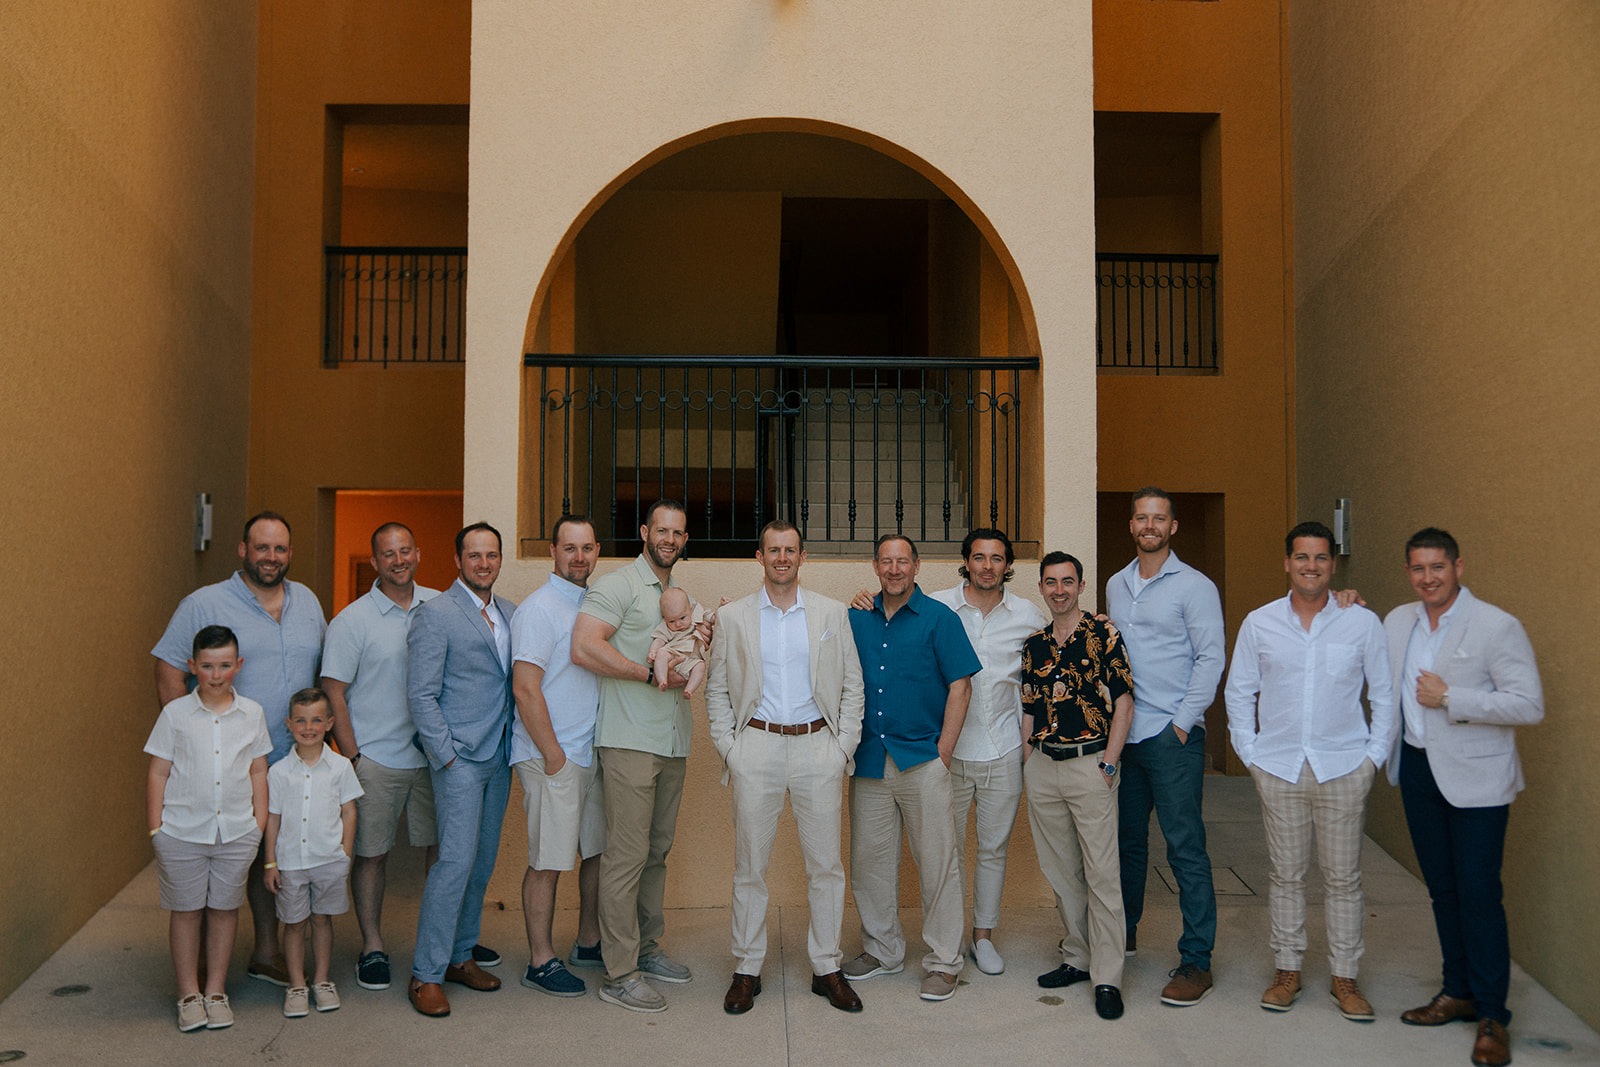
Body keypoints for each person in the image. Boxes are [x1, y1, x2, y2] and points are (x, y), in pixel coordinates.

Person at [1384, 528, 1543, 1067]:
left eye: (1438, 567)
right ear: (1408, 572)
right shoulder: (1397, 621)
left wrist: (1450, 697)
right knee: (1443, 890)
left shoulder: (1497, 625)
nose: (1428, 578)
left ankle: (1494, 1015)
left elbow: (1529, 704)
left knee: (1478, 893)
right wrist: (1344, 600)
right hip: (1419, 771)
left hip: (1478, 780)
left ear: (1458, 567)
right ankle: (1457, 991)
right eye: (1417, 569)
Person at [1224, 521, 1394, 1023]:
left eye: (1321, 558)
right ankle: (1287, 969)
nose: (1311, 566)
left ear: (1332, 565)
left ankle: (1345, 976)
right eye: (1302, 557)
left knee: (1343, 878)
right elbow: (1239, 692)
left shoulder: (1360, 622)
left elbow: (1383, 695)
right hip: (1278, 768)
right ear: (1287, 563)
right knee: (1287, 874)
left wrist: (1372, 760)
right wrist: (1251, 756)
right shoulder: (1260, 623)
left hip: (1344, 767)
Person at [152, 511, 326, 986]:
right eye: (262, 547)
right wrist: (189, 739)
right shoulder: (203, 603)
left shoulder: (308, 602)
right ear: (242, 549)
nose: (272, 557)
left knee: (277, 852)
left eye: (281, 548)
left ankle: (267, 951)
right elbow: (169, 669)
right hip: (230, 761)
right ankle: (203, 972)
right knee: (221, 857)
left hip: (296, 758)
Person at [705, 521, 865, 1015]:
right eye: (773, 550)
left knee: (826, 867)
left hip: (818, 748)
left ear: (801, 557)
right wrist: (731, 748)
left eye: (789, 550)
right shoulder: (732, 617)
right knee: (750, 866)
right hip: (757, 748)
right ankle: (747, 968)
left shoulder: (831, 613)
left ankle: (826, 967)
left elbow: (852, 687)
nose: (781, 558)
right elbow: (715, 690)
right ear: (760, 556)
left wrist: (842, 747)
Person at [572, 500, 708, 1013]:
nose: (669, 539)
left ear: (685, 538)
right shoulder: (617, 585)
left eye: (678, 531)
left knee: (655, 853)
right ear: (645, 532)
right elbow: (584, 647)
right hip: (629, 739)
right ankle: (620, 972)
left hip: (672, 738)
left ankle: (647, 950)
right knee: (626, 858)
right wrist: (646, 673)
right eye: (662, 530)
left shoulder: (678, 595)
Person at [843, 534, 980, 1003]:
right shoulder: (856, 618)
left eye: (903, 561)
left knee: (938, 863)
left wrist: (943, 753)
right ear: (876, 566)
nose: (895, 569)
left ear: (917, 566)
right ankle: (883, 950)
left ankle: (944, 963)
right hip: (870, 761)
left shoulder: (940, 619)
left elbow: (961, 687)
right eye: (887, 561)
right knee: (869, 862)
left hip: (923, 760)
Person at [1104, 488, 1225, 1006]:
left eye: (1159, 518)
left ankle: (1197, 961)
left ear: (1173, 527)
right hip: (1125, 735)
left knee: (1185, 850)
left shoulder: (1194, 586)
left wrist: (1181, 723)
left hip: (1171, 739)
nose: (1149, 525)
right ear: (1131, 526)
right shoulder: (1115, 584)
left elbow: (1211, 658)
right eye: (1141, 518)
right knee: (1127, 845)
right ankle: (1123, 936)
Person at [320, 522, 441, 992]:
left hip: (434, 757)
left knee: (440, 854)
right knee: (371, 856)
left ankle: (439, 942)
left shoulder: (441, 605)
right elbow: (334, 692)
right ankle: (372, 945)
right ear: (375, 562)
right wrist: (353, 757)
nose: (398, 560)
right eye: (388, 554)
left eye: (405, 550)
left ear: (418, 553)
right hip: (377, 758)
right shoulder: (351, 621)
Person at [405, 522, 517, 1017]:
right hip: (460, 760)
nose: (484, 563)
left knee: (482, 863)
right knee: (452, 864)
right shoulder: (436, 614)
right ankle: (425, 974)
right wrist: (446, 755)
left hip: (500, 755)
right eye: (474, 555)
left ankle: (459, 955)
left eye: (491, 555)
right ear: (457, 560)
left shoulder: (511, 613)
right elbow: (421, 693)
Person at [1021, 551, 1135, 1021]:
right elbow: (1028, 707)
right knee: (1062, 871)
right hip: (1044, 767)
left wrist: (1110, 764)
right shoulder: (1036, 645)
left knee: (1102, 874)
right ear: (1042, 588)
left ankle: (1107, 976)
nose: (1059, 589)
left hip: (1093, 765)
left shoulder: (1104, 634)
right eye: (1051, 582)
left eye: (1068, 581)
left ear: (1081, 586)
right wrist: (1027, 761)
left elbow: (1125, 701)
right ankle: (1078, 956)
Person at [926, 529, 1045, 975]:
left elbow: (1062, 643)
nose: (987, 566)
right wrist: (864, 599)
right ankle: (948, 937)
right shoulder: (937, 606)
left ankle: (983, 937)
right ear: (966, 561)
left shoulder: (1028, 615)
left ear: (1008, 566)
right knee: (947, 849)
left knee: (993, 849)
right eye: (979, 557)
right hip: (949, 751)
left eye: (997, 559)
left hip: (1004, 749)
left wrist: (1101, 624)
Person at [145, 625, 271, 1032]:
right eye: (207, 666)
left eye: (225, 665)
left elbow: (258, 771)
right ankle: (188, 994)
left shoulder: (252, 713)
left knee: (223, 910)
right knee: (186, 912)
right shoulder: (175, 713)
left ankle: (216, 991)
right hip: (181, 831)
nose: (216, 675)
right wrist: (155, 830)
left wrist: (258, 827)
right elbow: (158, 771)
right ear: (192, 666)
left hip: (236, 831)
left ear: (238, 665)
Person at [509, 515, 606, 998]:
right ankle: (540, 960)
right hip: (553, 756)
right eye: (569, 548)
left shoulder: (592, 604)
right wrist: (553, 756)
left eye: (587, 548)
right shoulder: (539, 609)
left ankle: (588, 942)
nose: (579, 557)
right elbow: (525, 690)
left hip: (587, 753)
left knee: (595, 853)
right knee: (548, 861)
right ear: (553, 551)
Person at [263, 688, 362, 1018]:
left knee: (322, 920)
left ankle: (321, 980)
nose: (309, 727)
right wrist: (271, 863)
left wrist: (345, 854)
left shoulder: (340, 767)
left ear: (329, 723)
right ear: (290, 724)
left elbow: (349, 811)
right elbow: (272, 819)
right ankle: (296, 984)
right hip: (291, 862)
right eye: (302, 720)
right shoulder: (278, 772)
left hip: (329, 860)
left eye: (317, 720)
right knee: (294, 924)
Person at [647, 587, 709, 697]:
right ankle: (662, 680)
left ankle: (689, 690)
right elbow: (659, 639)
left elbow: (710, 617)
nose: (678, 624)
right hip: (673, 654)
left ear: (690, 609)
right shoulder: (666, 626)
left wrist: (722, 609)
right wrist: (652, 652)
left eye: (682, 618)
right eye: (672, 621)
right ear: (664, 616)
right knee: (661, 654)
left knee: (700, 666)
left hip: (689, 659)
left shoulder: (696, 615)